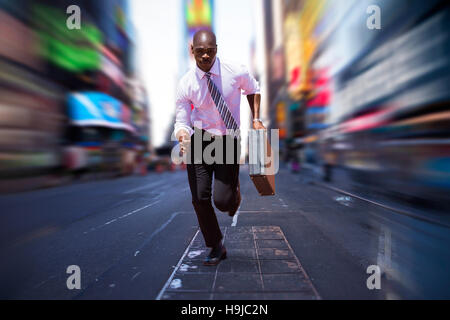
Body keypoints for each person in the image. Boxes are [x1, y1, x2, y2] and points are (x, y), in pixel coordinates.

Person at [174, 29, 265, 266]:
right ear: (191, 50)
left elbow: (253, 89)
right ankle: (216, 246)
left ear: (217, 49)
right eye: (201, 52)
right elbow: (182, 120)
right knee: (199, 198)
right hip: (200, 140)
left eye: (210, 51)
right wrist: (183, 135)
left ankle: (233, 195)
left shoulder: (235, 71)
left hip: (227, 140)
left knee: (223, 203)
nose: (206, 56)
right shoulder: (186, 83)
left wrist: (255, 118)